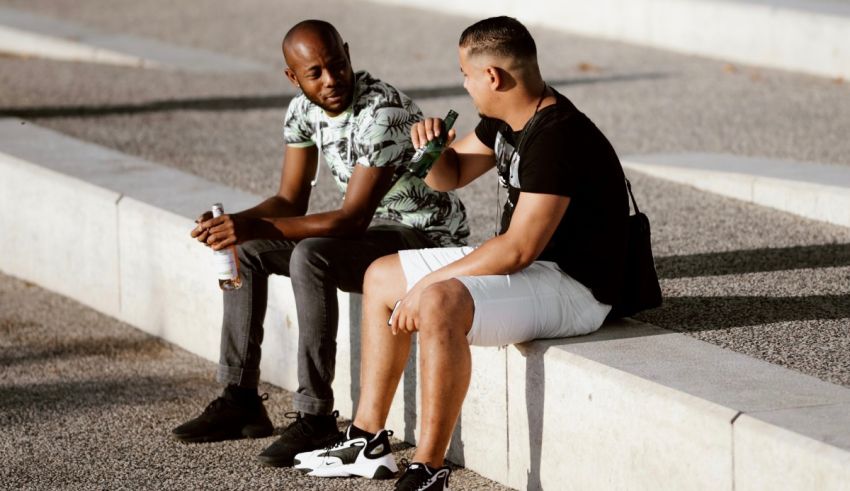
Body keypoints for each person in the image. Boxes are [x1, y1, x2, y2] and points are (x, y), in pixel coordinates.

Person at [292, 16, 628, 490]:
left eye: (466, 75)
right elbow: (448, 177)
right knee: (382, 275)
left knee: (439, 301)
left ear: (492, 76)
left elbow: (517, 250)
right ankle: (367, 440)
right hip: (537, 269)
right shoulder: (508, 119)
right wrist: (431, 150)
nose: (463, 85)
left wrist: (428, 284)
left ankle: (429, 468)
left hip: (576, 287)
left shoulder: (557, 137)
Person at [170, 19, 469, 468]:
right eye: (315, 74)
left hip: (424, 236)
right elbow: (289, 201)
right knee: (249, 252)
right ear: (293, 77)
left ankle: (315, 416)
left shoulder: (381, 114)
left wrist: (254, 226)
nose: (331, 80)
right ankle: (240, 399)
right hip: (376, 233)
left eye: (338, 66)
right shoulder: (302, 111)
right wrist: (235, 224)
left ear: (347, 54)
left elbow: (350, 221)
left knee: (312, 255)